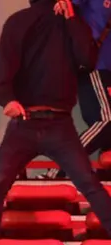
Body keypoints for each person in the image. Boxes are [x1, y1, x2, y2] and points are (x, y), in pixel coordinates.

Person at [0, 0, 111, 245]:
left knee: (88, 184)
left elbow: (87, 59)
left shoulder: (67, 23)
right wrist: (7, 100)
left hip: (55, 123)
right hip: (29, 121)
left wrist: (72, 19)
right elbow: (4, 67)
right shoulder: (21, 22)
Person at [39, 0, 111, 179]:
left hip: (106, 67)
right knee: (107, 120)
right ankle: (59, 168)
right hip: (95, 64)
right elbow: (63, 6)